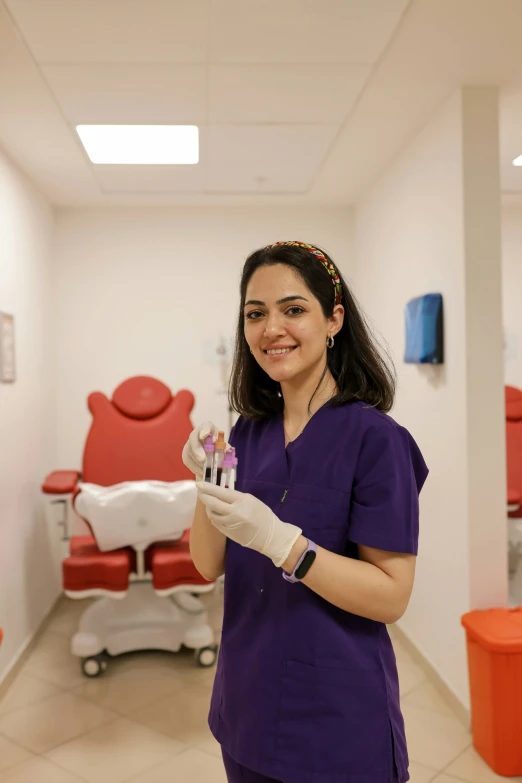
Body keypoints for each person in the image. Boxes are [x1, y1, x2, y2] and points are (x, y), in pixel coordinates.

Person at [182, 241, 429, 783]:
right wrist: (207, 483)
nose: (272, 328)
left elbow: (391, 595)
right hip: (246, 705)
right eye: (256, 313)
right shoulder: (250, 431)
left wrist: (282, 543)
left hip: (336, 721)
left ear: (333, 319)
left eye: (293, 309)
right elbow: (207, 564)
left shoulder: (376, 440)